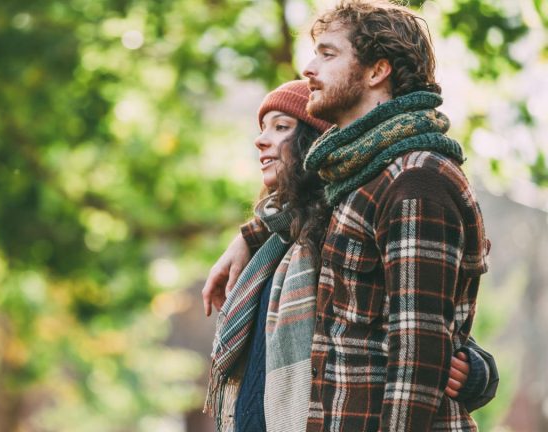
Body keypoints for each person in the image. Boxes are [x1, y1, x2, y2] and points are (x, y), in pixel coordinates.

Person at [204, 1, 498, 430]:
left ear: (377, 71)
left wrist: (479, 371)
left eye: (327, 54)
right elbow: (305, 208)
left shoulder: (415, 179)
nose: (309, 68)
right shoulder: (357, 180)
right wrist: (248, 236)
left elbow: (416, 357)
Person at [204, 80, 332, 432]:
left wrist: (476, 372)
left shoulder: (335, 233)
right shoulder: (275, 243)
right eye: (263, 129)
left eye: (280, 127)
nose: (261, 140)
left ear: (314, 141)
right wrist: (246, 238)